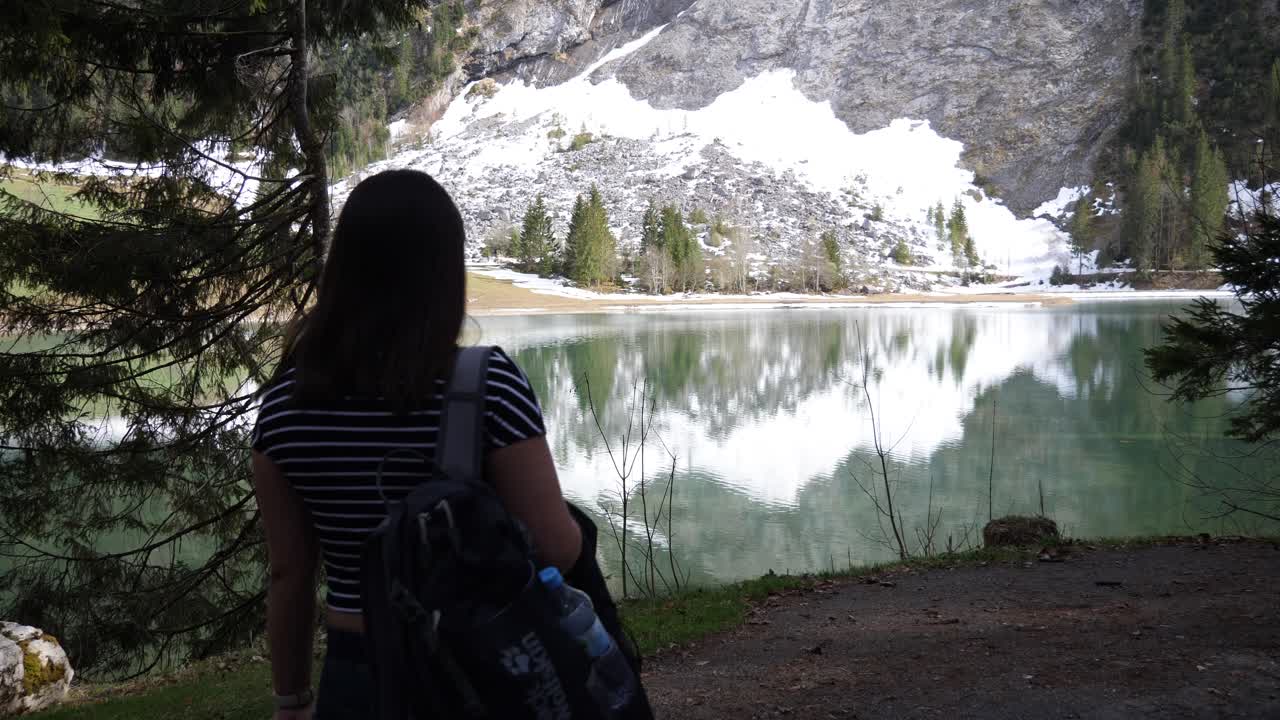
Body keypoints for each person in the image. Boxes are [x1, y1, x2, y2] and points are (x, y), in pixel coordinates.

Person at [250, 169, 584, 720]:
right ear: (443, 275)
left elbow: (289, 573)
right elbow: (556, 547)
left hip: (356, 674)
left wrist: (291, 701)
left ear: (343, 272)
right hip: (477, 665)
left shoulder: (285, 406)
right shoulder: (487, 385)